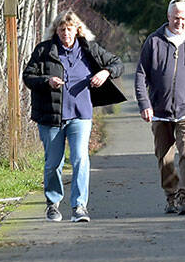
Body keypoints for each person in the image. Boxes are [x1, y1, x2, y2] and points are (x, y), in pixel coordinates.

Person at [23, 11, 125, 223]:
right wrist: (47, 81)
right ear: (56, 31)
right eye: (61, 29)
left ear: (77, 30)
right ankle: (52, 203)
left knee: (80, 158)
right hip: (51, 117)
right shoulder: (44, 50)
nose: (66, 33)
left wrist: (105, 73)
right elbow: (28, 76)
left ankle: (79, 206)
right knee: (53, 163)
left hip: (81, 115)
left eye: (69, 29)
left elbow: (117, 64)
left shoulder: (89, 49)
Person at [133, 0, 185, 215]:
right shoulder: (153, 42)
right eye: (176, 18)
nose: (180, 22)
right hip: (159, 111)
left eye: (184, 18)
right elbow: (141, 75)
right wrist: (144, 104)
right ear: (168, 16)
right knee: (165, 157)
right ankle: (171, 196)